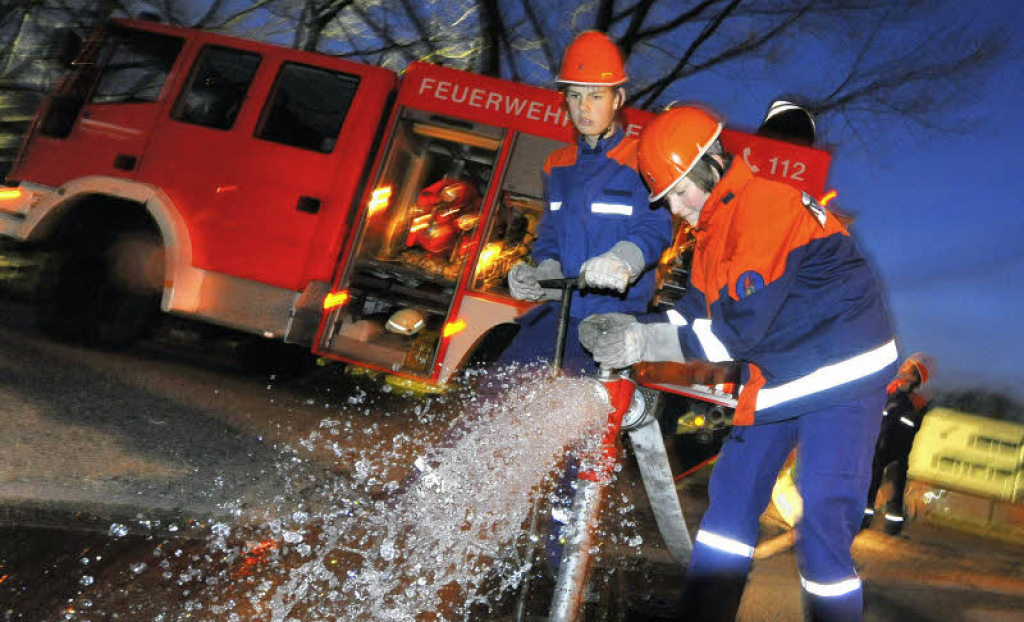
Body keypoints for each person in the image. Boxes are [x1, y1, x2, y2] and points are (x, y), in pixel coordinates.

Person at [578, 104, 899, 621]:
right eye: (668, 199)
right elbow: (692, 319)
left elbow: (732, 335)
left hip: (843, 374)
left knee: (821, 532)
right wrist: (635, 331)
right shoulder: (712, 232)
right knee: (729, 507)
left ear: (711, 163)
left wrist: (644, 343)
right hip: (779, 372)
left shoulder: (763, 207)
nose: (677, 208)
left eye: (682, 190)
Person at [499, 30, 672, 375]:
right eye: (575, 96)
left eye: (596, 96)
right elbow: (550, 237)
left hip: (613, 320)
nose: (583, 107)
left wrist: (622, 260)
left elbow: (655, 229)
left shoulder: (643, 160)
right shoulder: (557, 165)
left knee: (578, 417)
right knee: (501, 388)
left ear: (618, 99)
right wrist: (542, 273)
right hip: (560, 311)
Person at [862, 353, 933, 535]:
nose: (903, 370)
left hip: (890, 447)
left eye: (908, 368)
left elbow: (899, 422)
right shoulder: (899, 392)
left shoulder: (909, 397)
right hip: (890, 447)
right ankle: (879, 524)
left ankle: (878, 524)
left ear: (916, 376)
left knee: (884, 487)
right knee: (882, 486)